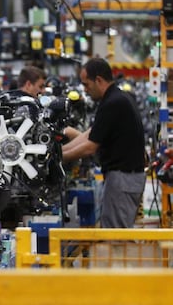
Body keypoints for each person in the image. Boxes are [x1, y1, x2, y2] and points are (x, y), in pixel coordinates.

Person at [62, 57, 146, 228]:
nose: (85, 90)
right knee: (115, 232)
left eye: (87, 84)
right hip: (125, 178)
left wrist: (59, 158)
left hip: (123, 179)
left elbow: (90, 147)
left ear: (98, 80)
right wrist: (60, 149)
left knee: (115, 237)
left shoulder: (113, 103)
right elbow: (91, 134)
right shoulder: (116, 98)